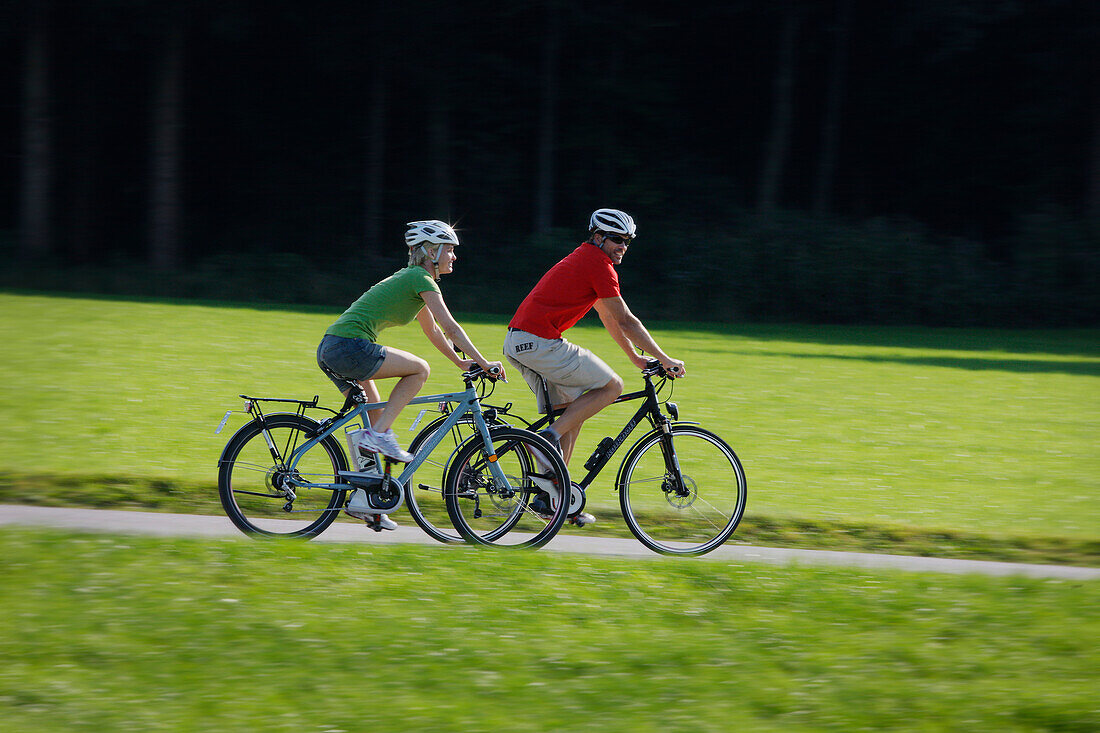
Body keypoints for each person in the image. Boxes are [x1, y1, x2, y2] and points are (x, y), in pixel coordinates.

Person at [318, 220, 506, 527]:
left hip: (332, 348)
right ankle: (378, 437)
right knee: (419, 370)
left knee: (376, 413)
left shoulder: (411, 279)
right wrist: (484, 363)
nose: (454, 257)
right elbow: (450, 325)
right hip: (349, 347)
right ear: (432, 252)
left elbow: (432, 330)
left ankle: (367, 501)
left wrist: (460, 363)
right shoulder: (420, 278)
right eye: (450, 250)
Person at [503, 208, 685, 526]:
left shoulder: (586, 260)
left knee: (574, 411)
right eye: (616, 239)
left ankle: (553, 499)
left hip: (520, 343)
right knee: (612, 386)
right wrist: (665, 358)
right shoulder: (597, 264)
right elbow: (626, 319)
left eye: (627, 241)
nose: (622, 246)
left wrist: (636, 358)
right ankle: (547, 441)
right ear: (598, 237)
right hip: (539, 342)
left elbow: (607, 315)